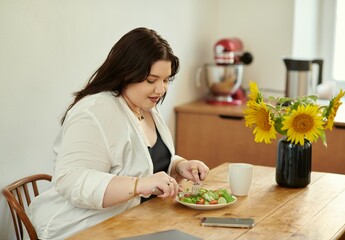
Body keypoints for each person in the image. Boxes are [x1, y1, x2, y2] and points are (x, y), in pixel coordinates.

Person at [28, 27, 209, 239]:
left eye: (166, 80)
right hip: (87, 228)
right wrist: (138, 185)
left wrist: (178, 165)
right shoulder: (93, 111)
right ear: (126, 73)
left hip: (139, 222)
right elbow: (71, 180)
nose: (161, 90)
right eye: (151, 80)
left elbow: (142, 159)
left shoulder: (144, 105)